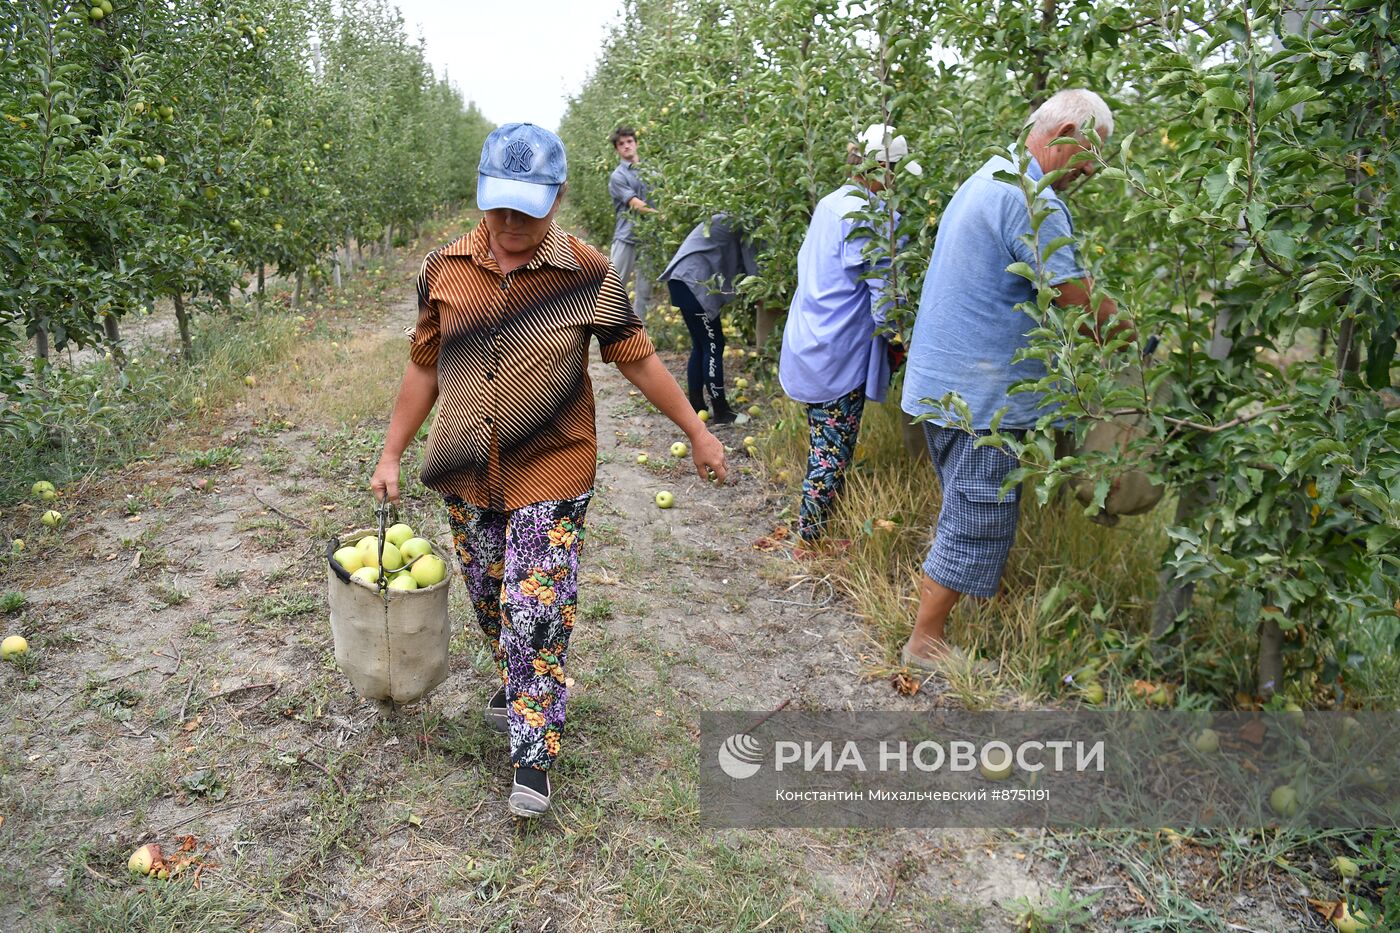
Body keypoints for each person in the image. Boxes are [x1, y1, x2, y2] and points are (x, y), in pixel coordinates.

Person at [371, 123, 727, 819]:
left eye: (527, 210)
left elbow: (637, 358)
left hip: (554, 465)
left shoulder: (590, 274)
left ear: (559, 196)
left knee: (534, 608)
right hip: (466, 464)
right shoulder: (442, 270)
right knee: (489, 593)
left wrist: (696, 428)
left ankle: (532, 754)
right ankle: (516, 673)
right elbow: (422, 369)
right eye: (498, 207)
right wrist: (391, 452)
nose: (509, 224)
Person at [900, 88, 1124, 672]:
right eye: (1090, 155)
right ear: (1067, 132)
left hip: (945, 381)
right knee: (975, 514)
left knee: (967, 507)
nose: (1090, 172)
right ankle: (925, 643)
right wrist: (1133, 340)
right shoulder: (1030, 199)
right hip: (979, 397)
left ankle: (942, 623)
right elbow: (1071, 292)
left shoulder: (990, 176)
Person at [778, 123, 909, 557]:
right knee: (832, 449)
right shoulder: (871, 214)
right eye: (895, 171)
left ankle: (814, 524)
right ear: (882, 169)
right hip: (838, 351)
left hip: (810, 339)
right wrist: (900, 335)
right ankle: (808, 541)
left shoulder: (833, 203)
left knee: (822, 441)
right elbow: (883, 293)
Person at [658, 213, 761, 424]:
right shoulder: (746, 223)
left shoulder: (726, 218)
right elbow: (755, 272)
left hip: (681, 280)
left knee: (701, 344)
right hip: (694, 282)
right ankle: (721, 411)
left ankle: (696, 406)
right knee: (713, 345)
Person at [608, 126, 659, 321]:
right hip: (626, 236)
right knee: (614, 285)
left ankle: (639, 333)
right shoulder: (618, 176)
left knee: (644, 288)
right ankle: (607, 328)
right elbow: (635, 204)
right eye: (621, 144)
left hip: (648, 237)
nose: (626, 146)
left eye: (629, 142)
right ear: (617, 150)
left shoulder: (651, 172)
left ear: (636, 144)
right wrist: (662, 215)